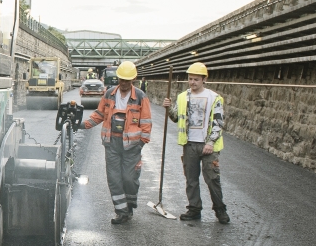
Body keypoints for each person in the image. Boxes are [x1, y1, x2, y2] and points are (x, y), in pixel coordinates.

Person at [81, 61, 152, 224]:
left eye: (127, 80)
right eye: (121, 80)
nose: (124, 83)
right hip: (112, 143)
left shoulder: (140, 96)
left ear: (133, 79)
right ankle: (121, 211)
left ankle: (130, 205)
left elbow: (146, 121)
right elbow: (100, 113)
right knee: (114, 178)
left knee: (129, 178)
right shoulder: (109, 94)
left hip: (132, 146)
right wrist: (84, 124)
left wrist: (142, 142)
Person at [161, 62, 229, 224]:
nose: (192, 82)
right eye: (190, 79)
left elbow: (219, 122)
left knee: (212, 178)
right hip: (189, 143)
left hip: (208, 145)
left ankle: (220, 210)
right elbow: (176, 117)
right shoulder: (183, 97)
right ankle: (194, 209)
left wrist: (210, 142)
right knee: (191, 179)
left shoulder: (214, 98)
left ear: (204, 79)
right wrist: (168, 108)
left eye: (196, 79)